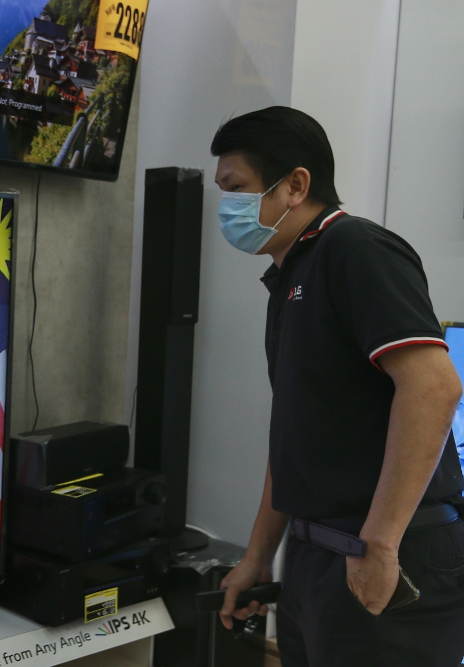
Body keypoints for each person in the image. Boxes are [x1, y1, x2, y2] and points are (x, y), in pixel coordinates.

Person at [211, 106, 464, 666]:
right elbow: (297, 433)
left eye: (238, 188)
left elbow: (434, 388)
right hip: (316, 555)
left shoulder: (357, 249)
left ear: (296, 185)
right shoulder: (292, 275)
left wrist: (380, 542)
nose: (228, 208)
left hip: (386, 550)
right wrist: (259, 555)